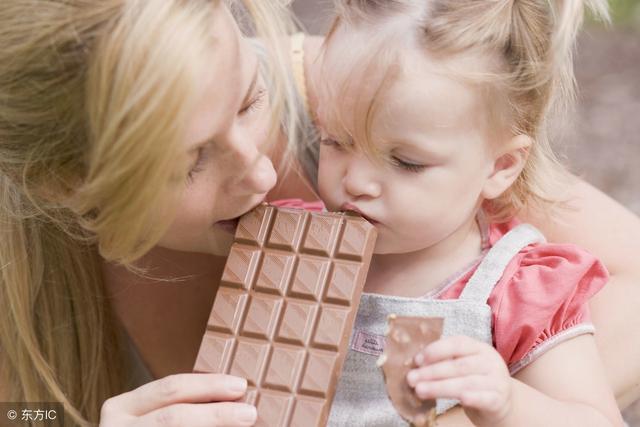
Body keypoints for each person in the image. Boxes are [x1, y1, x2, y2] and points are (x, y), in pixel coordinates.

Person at [0, 0, 639, 426]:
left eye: (250, 99)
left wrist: (475, 410)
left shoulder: (363, 96)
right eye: (188, 161)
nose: (256, 171)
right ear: (63, 187)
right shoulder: (22, 256)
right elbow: (26, 413)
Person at [310, 0, 625, 425]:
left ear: (500, 167)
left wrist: (510, 404)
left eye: (406, 162)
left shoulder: (517, 290)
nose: (356, 182)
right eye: (334, 140)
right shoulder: (293, 244)